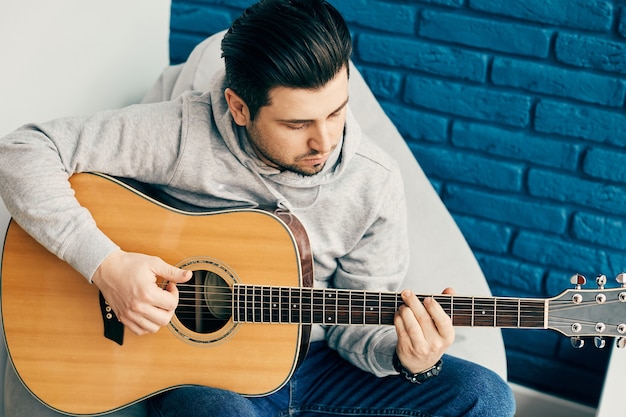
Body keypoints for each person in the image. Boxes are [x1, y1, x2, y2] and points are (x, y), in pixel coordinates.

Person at [0, 0, 515, 416]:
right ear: (239, 107)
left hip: (315, 368)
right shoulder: (183, 132)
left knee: (486, 396)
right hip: (201, 376)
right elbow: (23, 151)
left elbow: (357, 321)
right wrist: (107, 266)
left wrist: (406, 357)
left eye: (336, 111)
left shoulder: (371, 181)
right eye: (297, 125)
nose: (326, 140)